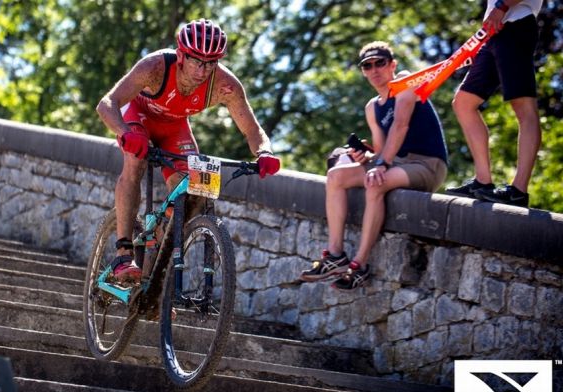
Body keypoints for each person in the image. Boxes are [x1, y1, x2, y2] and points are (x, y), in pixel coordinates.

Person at [97, 18, 280, 282]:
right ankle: (123, 253)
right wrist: (126, 133)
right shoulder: (155, 66)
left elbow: (253, 131)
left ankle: (152, 277)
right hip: (139, 117)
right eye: (196, 60)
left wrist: (265, 153)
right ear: (181, 55)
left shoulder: (225, 85)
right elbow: (107, 103)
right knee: (135, 162)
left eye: (211, 62)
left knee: (197, 190)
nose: (203, 70)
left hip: (175, 127)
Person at [300, 42, 448, 290]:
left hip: (426, 163)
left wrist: (380, 164)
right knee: (336, 176)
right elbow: (380, 150)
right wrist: (364, 158)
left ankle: (360, 265)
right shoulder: (373, 107)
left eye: (380, 63)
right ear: (363, 71)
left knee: (374, 183)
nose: (374, 69)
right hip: (396, 162)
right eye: (367, 66)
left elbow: (401, 126)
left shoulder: (405, 82)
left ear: (393, 65)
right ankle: (335, 255)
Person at [446, 0, 542, 207]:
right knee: (463, 102)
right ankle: (482, 181)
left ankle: (518, 191)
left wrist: (501, 7)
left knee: (524, 108)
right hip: (494, 34)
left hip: (517, 24)